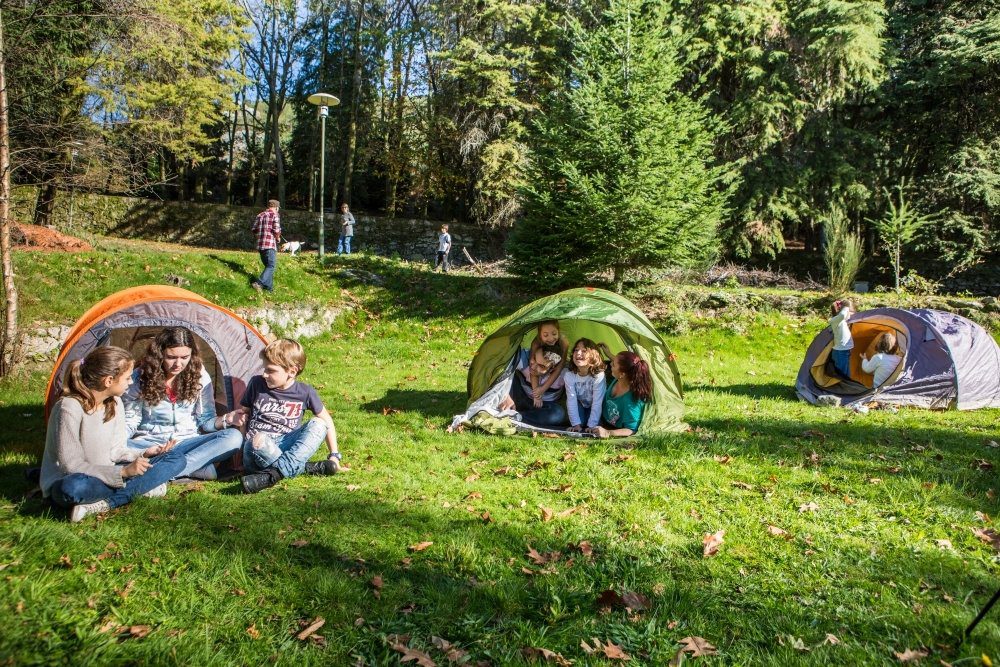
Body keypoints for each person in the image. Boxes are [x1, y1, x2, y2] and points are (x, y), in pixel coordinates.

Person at [40, 346, 187, 522]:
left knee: (176, 458)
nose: (131, 383)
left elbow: (117, 450)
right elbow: (71, 465)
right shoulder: (69, 407)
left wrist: (144, 453)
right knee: (72, 488)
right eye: (126, 378)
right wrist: (123, 472)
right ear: (109, 381)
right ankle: (142, 487)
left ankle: (103, 503)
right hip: (74, 479)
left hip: (108, 474)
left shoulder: (115, 403)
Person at [123, 327, 244, 482]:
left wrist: (228, 419)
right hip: (150, 442)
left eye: (184, 357)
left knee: (233, 437)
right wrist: (119, 444)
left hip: (186, 442)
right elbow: (130, 419)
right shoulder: (140, 376)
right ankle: (194, 468)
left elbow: (206, 422)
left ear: (192, 354)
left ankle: (160, 471)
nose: (178, 364)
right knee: (114, 445)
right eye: (171, 357)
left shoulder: (199, 375)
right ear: (159, 354)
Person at [231, 338, 344, 494]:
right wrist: (238, 458)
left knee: (319, 423)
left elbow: (327, 421)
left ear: (292, 371)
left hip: (286, 445)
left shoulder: (305, 392)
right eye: (264, 369)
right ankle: (303, 467)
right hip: (256, 448)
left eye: (271, 370)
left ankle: (273, 475)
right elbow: (242, 416)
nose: (264, 374)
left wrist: (334, 456)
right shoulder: (256, 384)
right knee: (259, 439)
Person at [498, 345, 567, 428]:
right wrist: (505, 395)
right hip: (520, 396)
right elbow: (499, 368)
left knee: (558, 414)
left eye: (541, 366)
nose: (533, 367)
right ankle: (513, 414)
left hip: (544, 406)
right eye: (534, 358)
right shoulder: (525, 358)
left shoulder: (564, 374)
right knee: (510, 378)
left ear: (552, 369)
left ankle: (517, 416)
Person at [591, 351, 651, 438]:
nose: (610, 364)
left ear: (622, 374)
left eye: (614, 364)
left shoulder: (631, 401)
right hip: (602, 418)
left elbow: (631, 430)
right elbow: (627, 364)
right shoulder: (621, 378)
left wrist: (608, 432)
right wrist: (609, 353)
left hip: (614, 426)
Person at [563, 338, 608, 432]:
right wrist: (576, 425)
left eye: (584, 351)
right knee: (581, 423)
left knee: (595, 424)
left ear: (593, 356)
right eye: (576, 350)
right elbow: (571, 400)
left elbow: (597, 402)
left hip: (596, 406)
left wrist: (592, 426)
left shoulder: (598, 376)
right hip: (581, 405)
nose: (578, 353)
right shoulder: (569, 376)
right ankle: (580, 422)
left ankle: (593, 422)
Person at [528, 320, 570, 405]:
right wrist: (537, 395)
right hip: (541, 365)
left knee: (565, 374)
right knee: (535, 370)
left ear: (558, 331)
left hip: (556, 366)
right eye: (546, 335)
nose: (551, 339)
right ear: (540, 335)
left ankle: (552, 393)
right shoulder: (536, 343)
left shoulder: (563, 342)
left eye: (554, 334)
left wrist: (543, 389)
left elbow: (559, 368)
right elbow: (533, 369)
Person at [252, 199, 281, 292]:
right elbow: (276, 230)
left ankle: (269, 289)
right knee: (271, 266)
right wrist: (278, 238)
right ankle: (259, 283)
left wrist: (260, 236)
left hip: (260, 245)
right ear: (276, 207)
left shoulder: (260, 215)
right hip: (269, 245)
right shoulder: (275, 215)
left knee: (268, 266)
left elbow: (254, 229)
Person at [828, 298, 854, 378]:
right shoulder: (834, 320)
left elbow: (845, 316)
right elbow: (842, 315)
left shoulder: (841, 321)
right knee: (842, 372)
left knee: (844, 370)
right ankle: (843, 386)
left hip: (843, 349)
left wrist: (846, 308)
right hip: (841, 350)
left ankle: (845, 385)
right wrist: (846, 305)